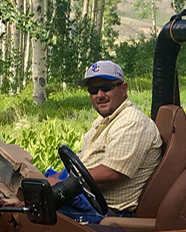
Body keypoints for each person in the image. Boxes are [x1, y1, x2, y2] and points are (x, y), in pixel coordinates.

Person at [54, 60, 162, 223]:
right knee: (22, 195)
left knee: (23, 216)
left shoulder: (132, 122)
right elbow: (81, 166)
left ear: (123, 88)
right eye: (93, 90)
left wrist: (60, 184)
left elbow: (109, 174)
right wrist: (51, 180)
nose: (100, 95)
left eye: (106, 87)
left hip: (106, 213)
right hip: (86, 199)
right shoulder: (104, 122)